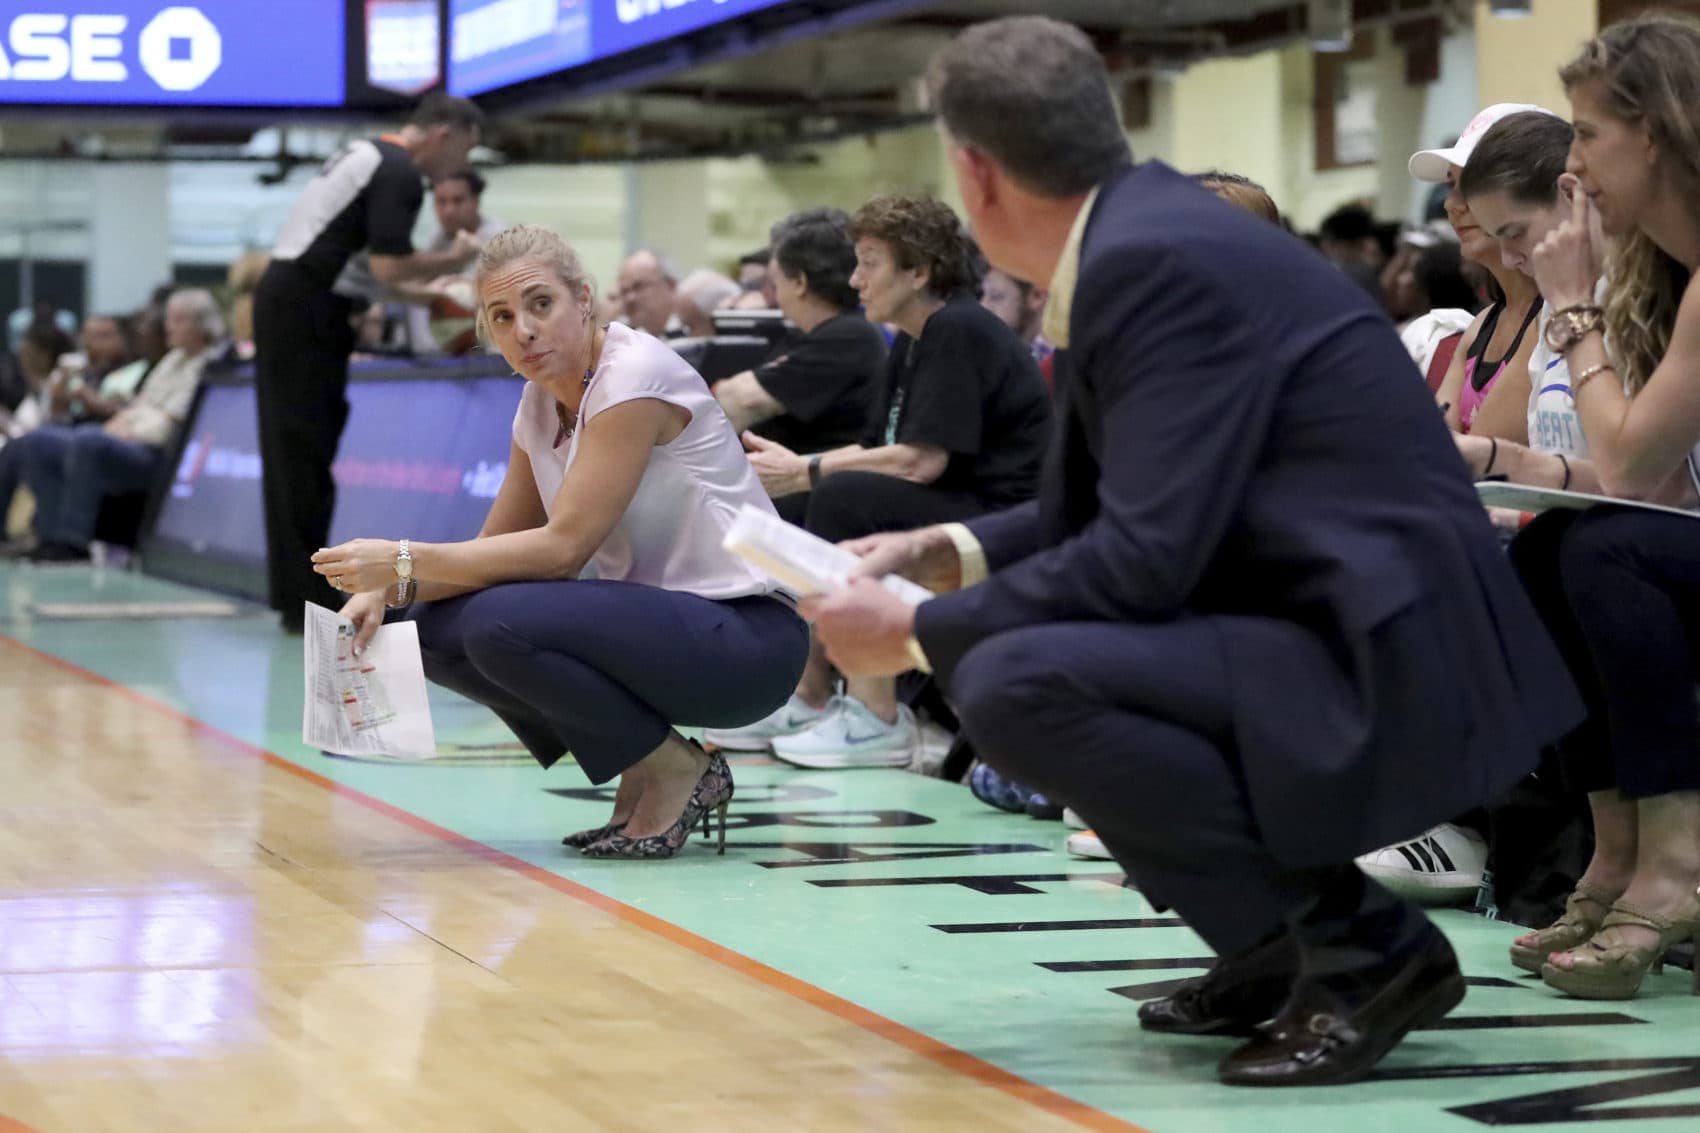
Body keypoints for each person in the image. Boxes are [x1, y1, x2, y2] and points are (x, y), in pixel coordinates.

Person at [804, 16, 1581, 1085]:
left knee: (1018, 677)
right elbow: (1114, 509)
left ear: (974, 175)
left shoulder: (1150, 261)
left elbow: (1143, 556)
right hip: (1347, 618)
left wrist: (913, 630)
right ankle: (1274, 954)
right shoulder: (1140, 237)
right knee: (1000, 667)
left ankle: (1367, 952)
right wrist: (944, 551)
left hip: (1393, 651)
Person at [312, 226, 808, 859]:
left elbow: (563, 549)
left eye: (540, 304)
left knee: (497, 623)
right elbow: (492, 554)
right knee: (433, 625)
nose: (524, 328)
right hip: (671, 632)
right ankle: (647, 764)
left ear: (584, 301)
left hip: (750, 640)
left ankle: (674, 772)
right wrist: (390, 591)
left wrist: (404, 558)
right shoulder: (538, 405)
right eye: (503, 316)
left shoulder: (633, 377)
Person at [1495, 12, 1700, 999]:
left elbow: (1625, 472)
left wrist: (1566, 305)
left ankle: (1674, 861)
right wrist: (1496, 461)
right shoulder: (1666, 275)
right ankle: (1614, 851)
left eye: (1583, 132)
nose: (1568, 165)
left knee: (1600, 549)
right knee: (1549, 552)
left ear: (1653, 131)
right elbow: (1647, 484)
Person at [714, 193, 1051, 769]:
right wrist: (796, 468)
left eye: (869, 262)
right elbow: (876, 449)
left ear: (918, 271)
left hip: (1006, 517)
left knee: (844, 498)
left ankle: (876, 718)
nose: (855, 279)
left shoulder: (958, 328)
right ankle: (810, 694)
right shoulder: (916, 337)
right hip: (964, 501)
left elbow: (922, 462)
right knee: (810, 502)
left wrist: (807, 471)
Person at [253, 93, 486, 633]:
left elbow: (367, 272)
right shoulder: (400, 171)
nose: (462, 168)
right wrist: (452, 261)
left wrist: (429, 299)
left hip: (293, 301)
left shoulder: (367, 154)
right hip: (306, 311)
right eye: (466, 152)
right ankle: (306, 598)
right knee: (304, 456)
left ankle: (295, 593)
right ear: (443, 135)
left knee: (297, 455)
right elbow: (390, 265)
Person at [0, 290, 223, 561]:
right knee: (38, 442)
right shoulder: (171, 361)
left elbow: (169, 422)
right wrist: (129, 420)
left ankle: (73, 542)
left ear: (203, 324)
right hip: (124, 434)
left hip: (159, 452)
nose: (170, 327)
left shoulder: (210, 364)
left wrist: (129, 424)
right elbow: (142, 407)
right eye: (170, 319)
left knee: (89, 440)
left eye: (180, 320)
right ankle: (48, 535)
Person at [1411, 103, 1560, 442]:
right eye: (1452, 186)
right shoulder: (1480, 325)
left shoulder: (1555, 315)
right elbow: (1435, 446)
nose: (1451, 204)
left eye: (1472, 187)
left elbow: (1478, 453)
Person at [712, 208, 887, 453]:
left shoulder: (848, 338)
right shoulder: (813, 334)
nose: (772, 293)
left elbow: (739, 401)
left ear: (799, 283)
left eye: (776, 281)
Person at [616, 249, 682, 338]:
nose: (630, 298)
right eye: (624, 291)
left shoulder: (694, 330)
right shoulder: (622, 337)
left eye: (638, 287)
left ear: (670, 286)